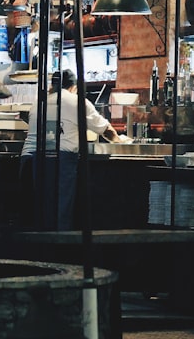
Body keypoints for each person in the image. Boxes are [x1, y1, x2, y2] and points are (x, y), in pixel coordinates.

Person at [20, 70, 122, 231]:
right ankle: (59, 251)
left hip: (29, 160)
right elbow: (106, 130)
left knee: (37, 213)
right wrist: (120, 142)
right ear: (74, 87)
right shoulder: (77, 101)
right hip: (59, 161)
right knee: (61, 213)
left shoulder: (39, 101)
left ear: (52, 85)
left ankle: (37, 251)